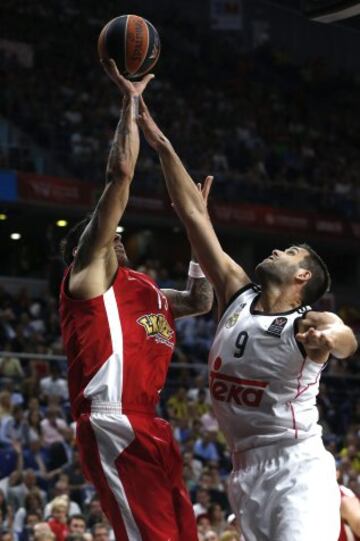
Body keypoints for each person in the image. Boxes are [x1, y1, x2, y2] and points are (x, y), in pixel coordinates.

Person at [136, 98, 358, 541]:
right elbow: (195, 217)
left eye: (290, 252)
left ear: (303, 276)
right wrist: (158, 140)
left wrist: (333, 339)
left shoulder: (306, 323)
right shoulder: (236, 292)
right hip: (243, 472)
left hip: (298, 467)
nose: (276, 250)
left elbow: (344, 335)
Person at [59, 60, 213, 541]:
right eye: (107, 233)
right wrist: (130, 100)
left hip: (154, 424)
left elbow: (202, 299)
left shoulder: (148, 290)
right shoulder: (88, 279)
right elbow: (120, 175)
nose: (117, 235)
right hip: (112, 421)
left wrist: (199, 231)